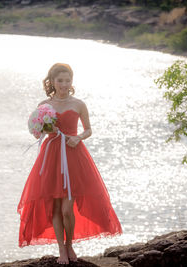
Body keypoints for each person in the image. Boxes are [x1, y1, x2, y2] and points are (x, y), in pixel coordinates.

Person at [17, 63, 122, 264]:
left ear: (71, 81)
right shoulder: (44, 105)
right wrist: (45, 130)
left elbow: (89, 129)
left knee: (67, 209)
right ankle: (61, 249)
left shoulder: (79, 104)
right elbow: (38, 130)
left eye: (68, 80)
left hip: (74, 155)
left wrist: (78, 137)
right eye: (60, 80)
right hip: (53, 155)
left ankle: (70, 244)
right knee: (55, 207)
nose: (64, 84)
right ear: (52, 82)